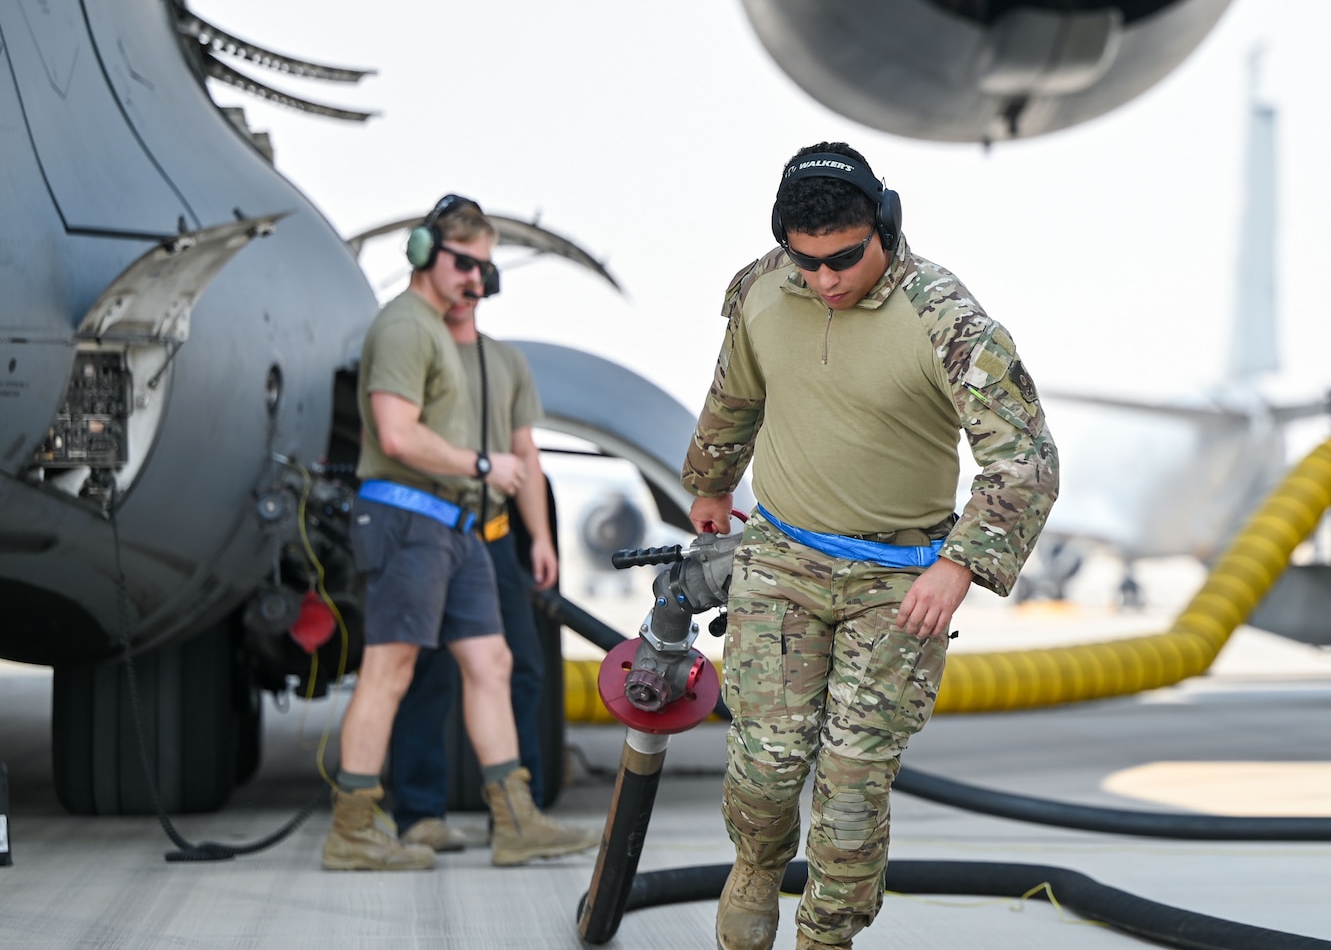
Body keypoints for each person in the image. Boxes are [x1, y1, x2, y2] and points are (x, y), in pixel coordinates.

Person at [683, 143, 1059, 950]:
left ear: (885, 224)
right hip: (782, 557)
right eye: (807, 261)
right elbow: (734, 391)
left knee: (853, 782)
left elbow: (1025, 457)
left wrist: (960, 563)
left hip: (900, 579)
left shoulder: (944, 315)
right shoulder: (761, 289)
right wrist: (712, 483)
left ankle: (828, 937)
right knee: (768, 761)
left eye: (844, 258)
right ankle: (754, 862)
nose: (825, 280)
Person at [324, 195, 597, 871]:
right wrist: (482, 463)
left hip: (459, 525)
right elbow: (394, 433)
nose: (477, 278)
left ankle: (515, 819)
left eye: (485, 266)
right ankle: (354, 828)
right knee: (391, 669)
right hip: (408, 515)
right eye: (465, 262)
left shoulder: (448, 338)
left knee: (493, 662)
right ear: (423, 254)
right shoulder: (405, 328)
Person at [385, 286, 584, 853]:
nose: (464, 286)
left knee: (521, 667)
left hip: (492, 538)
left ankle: (521, 817)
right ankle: (419, 813)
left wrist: (540, 538)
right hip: (426, 530)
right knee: (428, 669)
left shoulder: (504, 361)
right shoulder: (413, 352)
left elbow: (526, 455)